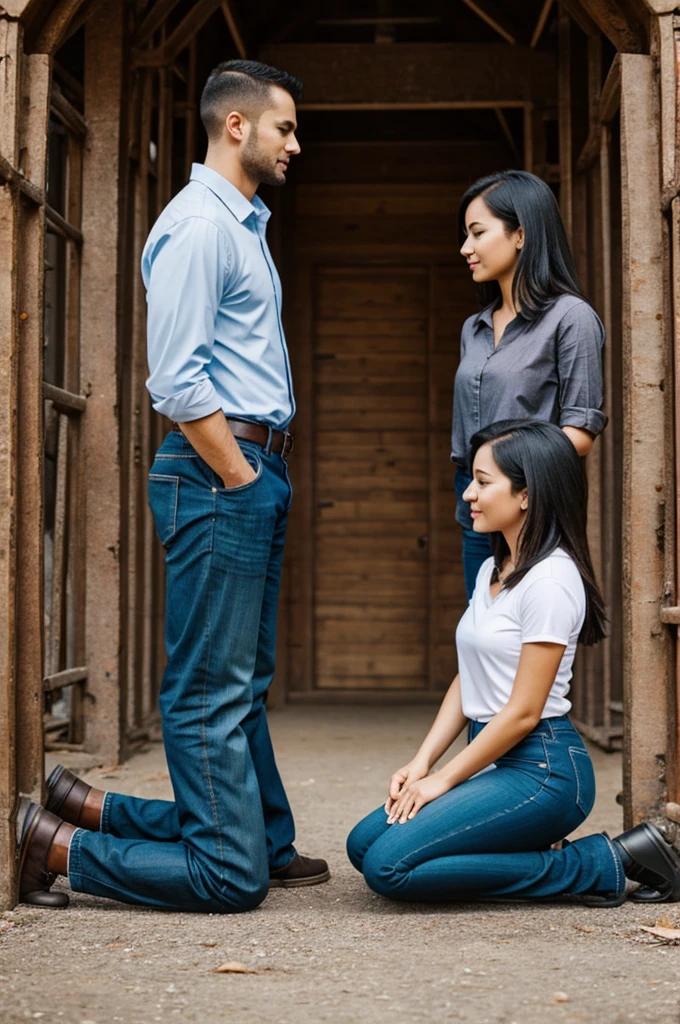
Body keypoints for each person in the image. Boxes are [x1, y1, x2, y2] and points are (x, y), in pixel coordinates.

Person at [17, 59, 329, 911]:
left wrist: (254, 472)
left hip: (250, 467)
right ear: (237, 127)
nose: (295, 143)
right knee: (207, 688)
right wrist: (236, 472)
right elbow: (179, 380)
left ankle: (224, 832)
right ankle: (56, 849)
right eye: (284, 128)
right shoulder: (199, 227)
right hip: (221, 468)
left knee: (243, 678)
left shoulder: (241, 224)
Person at [347, 420, 680, 907]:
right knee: (363, 845)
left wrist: (445, 780)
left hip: (543, 769)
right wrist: (421, 763)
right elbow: (470, 678)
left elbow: (524, 712)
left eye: (483, 482)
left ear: (527, 495)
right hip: (493, 759)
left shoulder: (551, 581)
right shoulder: (491, 570)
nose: (468, 495)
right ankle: (523, 841)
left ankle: (598, 862)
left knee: (388, 867)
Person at [452, 170, 607, 600]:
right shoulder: (474, 327)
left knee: (533, 635)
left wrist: (507, 468)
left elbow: (580, 432)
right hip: (473, 498)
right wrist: (480, 485)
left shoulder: (570, 318)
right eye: (465, 235)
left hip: (534, 501)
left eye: (478, 233)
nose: (466, 248)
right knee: (482, 633)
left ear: (521, 234)